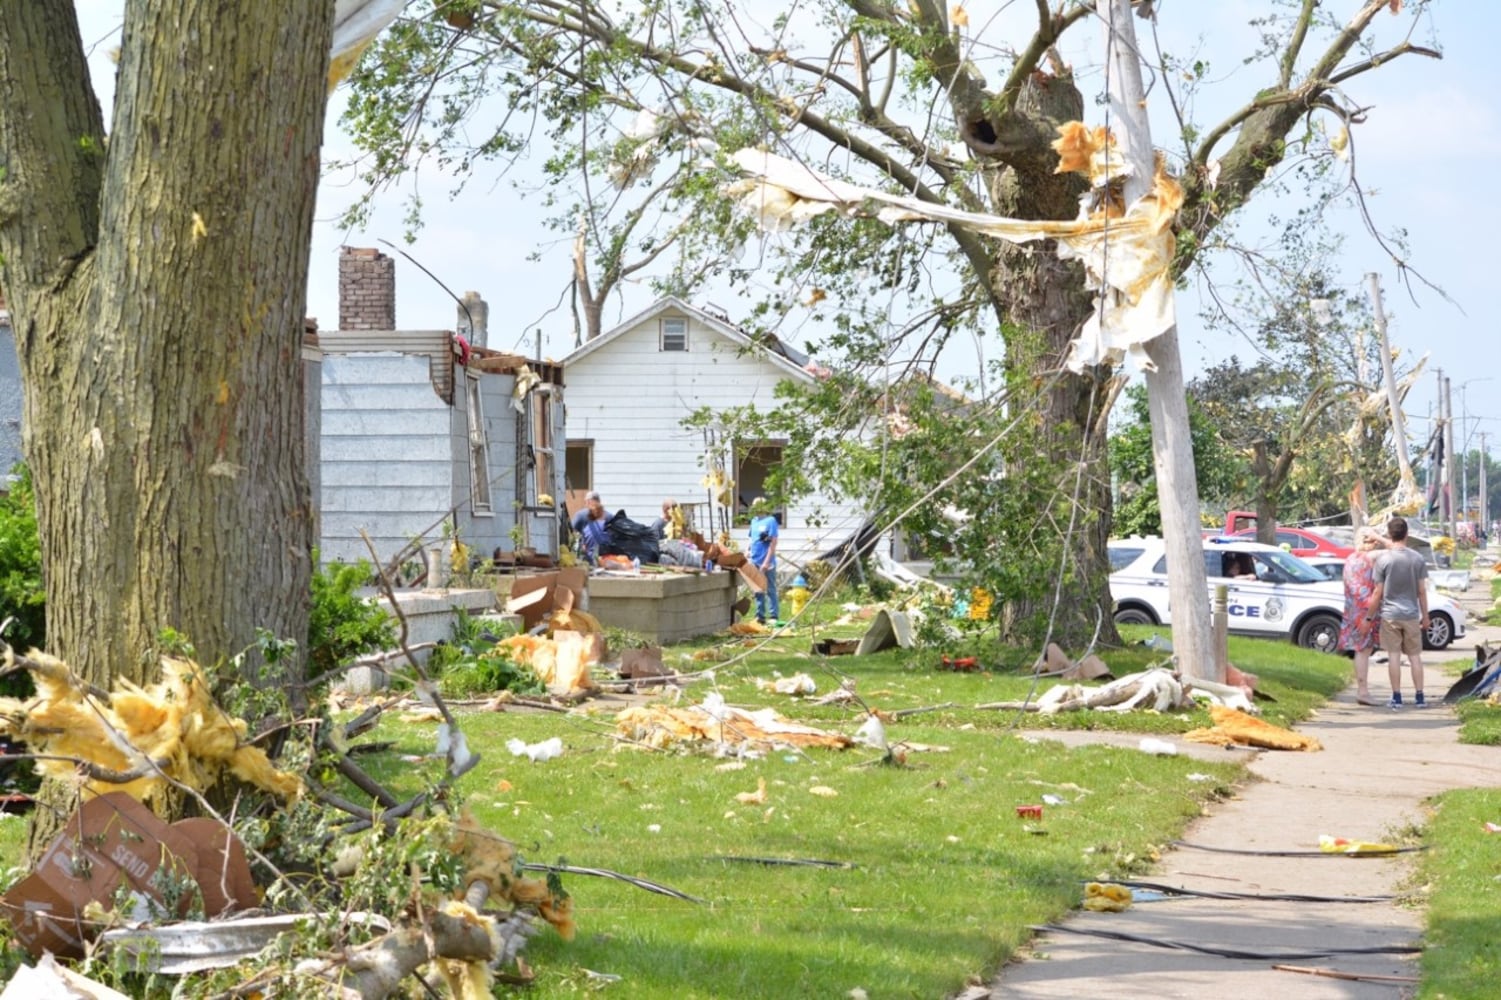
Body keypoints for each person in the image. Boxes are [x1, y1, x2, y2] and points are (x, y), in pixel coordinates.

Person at [1366, 516, 1430, 709]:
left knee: (1394, 656)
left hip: (1390, 615)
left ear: (1389, 534)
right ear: (1407, 534)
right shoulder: (1417, 559)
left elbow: (1378, 592)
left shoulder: (1383, 560)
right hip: (1411, 614)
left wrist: (1369, 617)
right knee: (1415, 656)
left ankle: (1397, 697)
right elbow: (1422, 591)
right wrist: (1425, 615)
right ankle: (1420, 697)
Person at [1339, 528, 1387, 706]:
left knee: (1362, 650)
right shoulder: (1370, 557)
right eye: (1373, 541)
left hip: (1352, 609)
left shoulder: (1350, 559)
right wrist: (1379, 536)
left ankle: (1363, 689)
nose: (1377, 544)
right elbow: (1397, 549)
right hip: (1366, 610)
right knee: (1363, 651)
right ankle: (1363, 691)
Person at [747, 497, 780, 624]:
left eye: (757, 506)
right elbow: (751, 539)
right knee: (758, 589)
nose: (754, 509)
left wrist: (767, 562)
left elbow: (773, 543)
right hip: (755, 560)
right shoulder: (753, 521)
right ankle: (760, 616)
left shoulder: (770, 521)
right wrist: (747, 550)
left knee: (770, 589)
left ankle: (773, 616)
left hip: (767, 562)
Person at [570, 491, 611, 563]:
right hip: (606, 558)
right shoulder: (609, 516)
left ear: (588, 501)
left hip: (587, 557)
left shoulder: (581, 515)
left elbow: (571, 532)